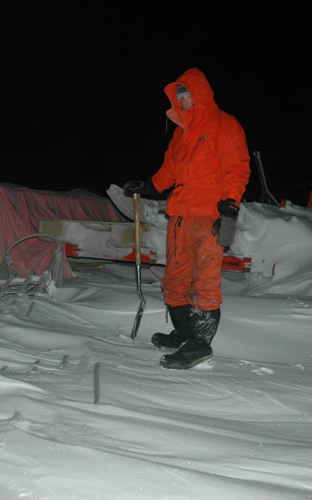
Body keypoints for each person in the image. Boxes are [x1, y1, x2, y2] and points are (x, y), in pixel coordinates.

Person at [124, 68, 250, 370]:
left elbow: (238, 168)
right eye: (179, 97)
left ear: (201, 94)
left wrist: (229, 207)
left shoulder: (224, 124)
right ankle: (183, 333)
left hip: (208, 216)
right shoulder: (180, 133)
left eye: (188, 95)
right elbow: (169, 171)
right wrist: (150, 186)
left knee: (204, 282)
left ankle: (200, 345)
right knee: (175, 280)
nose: (183, 101)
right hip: (179, 217)